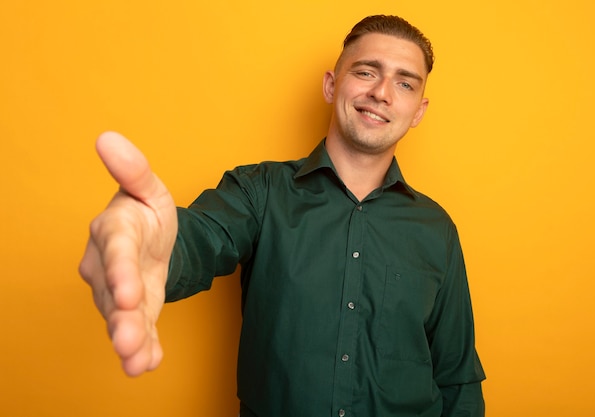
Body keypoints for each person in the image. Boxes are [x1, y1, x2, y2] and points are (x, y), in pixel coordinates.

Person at [79, 15, 486, 417]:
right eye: (366, 72)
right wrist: (149, 243)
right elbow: (199, 237)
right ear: (332, 85)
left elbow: (457, 379)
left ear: (418, 110)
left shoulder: (437, 229)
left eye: (404, 83)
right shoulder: (260, 190)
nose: (382, 93)